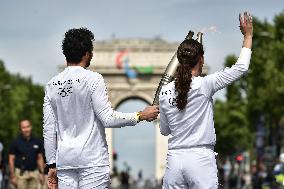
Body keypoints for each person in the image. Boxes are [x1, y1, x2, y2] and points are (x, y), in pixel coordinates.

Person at [43, 28, 159, 189]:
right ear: (86, 54)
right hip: (92, 162)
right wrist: (140, 115)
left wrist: (51, 164)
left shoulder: (51, 85)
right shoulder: (94, 79)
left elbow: (49, 129)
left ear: (66, 54)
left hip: (65, 162)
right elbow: (107, 118)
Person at [158, 12, 253, 189]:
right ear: (201, 59)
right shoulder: (205, 84)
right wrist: (248, 35)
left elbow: (164, 131)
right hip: (200, 160)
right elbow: (241, 67)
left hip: (174, 161)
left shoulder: (164, 91)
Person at [9, 120, 45, 189]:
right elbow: (11, 159)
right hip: (20, 174)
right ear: (20, 129)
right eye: (24, 127)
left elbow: (39, 158)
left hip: (34, 173)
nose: (26, 129)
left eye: (27, 127)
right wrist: (12, 176)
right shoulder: (15, 142)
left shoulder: (37, 141)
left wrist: (41, 173)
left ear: (31, 127)